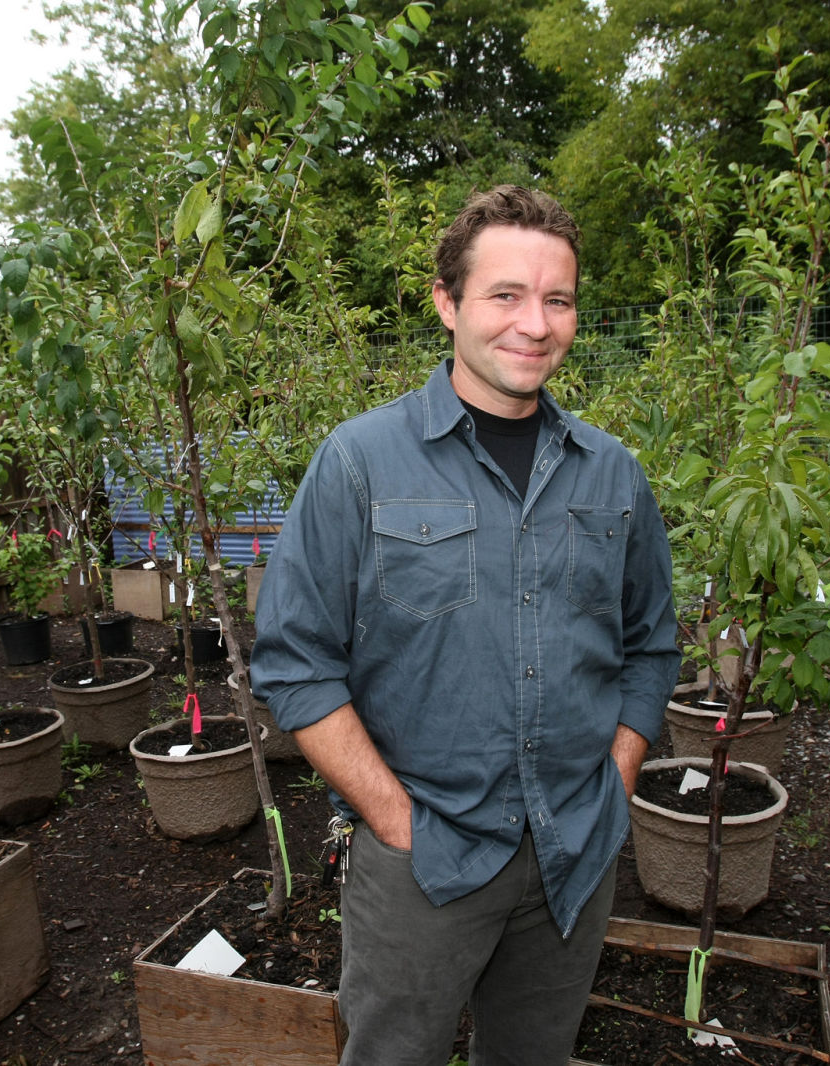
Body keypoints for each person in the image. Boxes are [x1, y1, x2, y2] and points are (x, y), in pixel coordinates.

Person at [250, 185, 679, 1066]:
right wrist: (395, 820)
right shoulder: (360, 462)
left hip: (574, 849)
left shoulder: (612, 474)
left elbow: (650, 645)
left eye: (556, 299)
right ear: (447, 303)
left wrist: (618, 775)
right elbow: (295, 664)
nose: (535, 323)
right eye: (506, 295)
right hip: (423, 859)